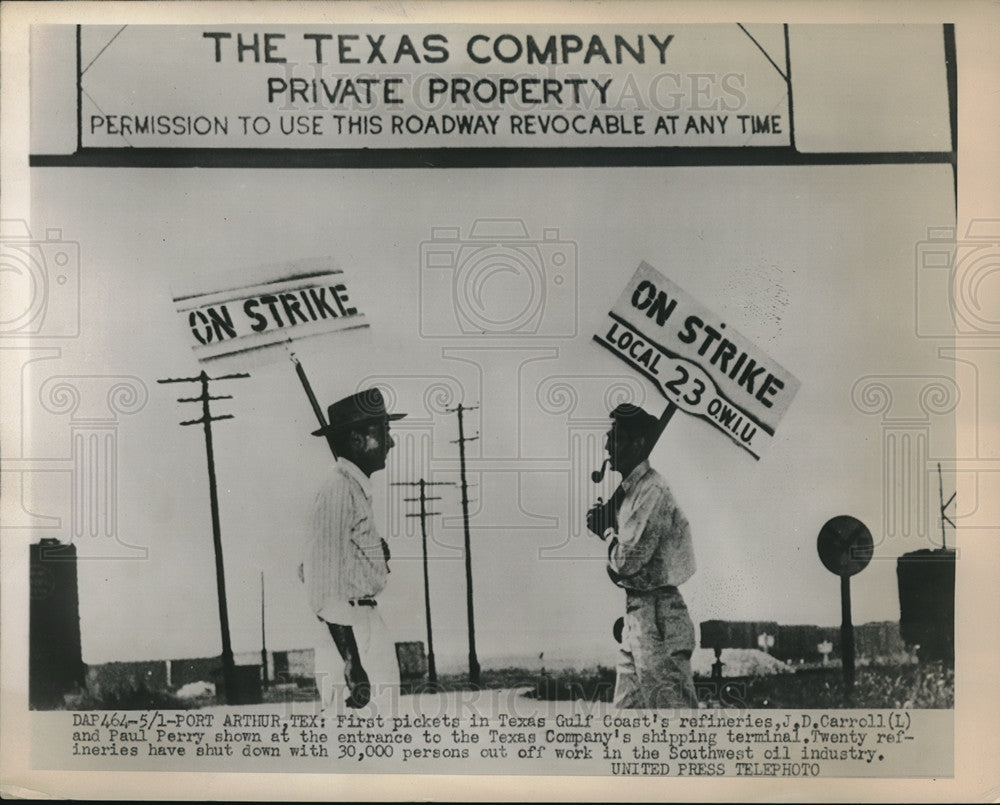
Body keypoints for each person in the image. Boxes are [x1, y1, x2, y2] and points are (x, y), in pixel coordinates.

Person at [299, 387, 406, 709]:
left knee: (383, 744)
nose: (390, 442)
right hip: (350, 633)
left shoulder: (353, 489)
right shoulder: (337, 489)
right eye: (383, 432)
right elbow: (321, 582)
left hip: (363, 624)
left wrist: (374, 555)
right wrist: (351, 661)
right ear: (357, 439)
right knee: (358, 747)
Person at [586, 403, 698, 709]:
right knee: (627, 727)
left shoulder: (652, 492)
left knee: (673, 725)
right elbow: (620, 571)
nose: (608, 444)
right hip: (637, 616)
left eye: (617, 436)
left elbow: (626, 562)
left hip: (659, 619)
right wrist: (610, 532)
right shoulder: (633, 494)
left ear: (637, 444)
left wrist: (606, 532)